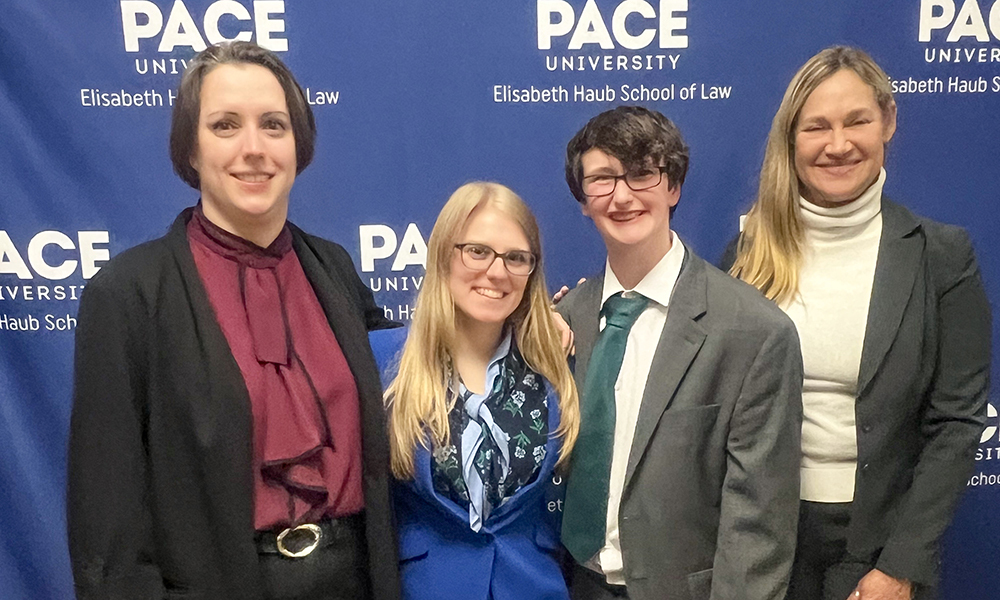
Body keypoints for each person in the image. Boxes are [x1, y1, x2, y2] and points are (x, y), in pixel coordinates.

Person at [67, 41, 400, 600]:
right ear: (190, 150)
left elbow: (419, 365)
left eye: (274, 125)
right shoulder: (126, 294)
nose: (254, 149)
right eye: (225, 125)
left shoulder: (334, 268)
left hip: (355, 580)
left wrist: (528, 330)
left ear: (298, 146)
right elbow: (108, 526)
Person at [723, 46, 990, 600]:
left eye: (857, 121)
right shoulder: (746, 256)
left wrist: (901, 566)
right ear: (791, 138)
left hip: (880, 548)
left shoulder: (942, 256)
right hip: (765, 540)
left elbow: (957, 421)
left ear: (888, 121)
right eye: (817, 126)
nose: (838, 144)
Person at [555, 106, 803, 600]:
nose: (622, 195)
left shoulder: (755, 333)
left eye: (642, 173)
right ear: (583, 199)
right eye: (602, 179)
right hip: (572, 584)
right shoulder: (564, 321)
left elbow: (758, 527)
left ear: (673, 186)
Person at [386, 182, 580, 600]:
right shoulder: (384, 363)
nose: (497, 272)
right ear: (444, 254)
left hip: (533, 588)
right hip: (427, 589)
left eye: (516, 258)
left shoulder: (554, 366)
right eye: (477, 251)